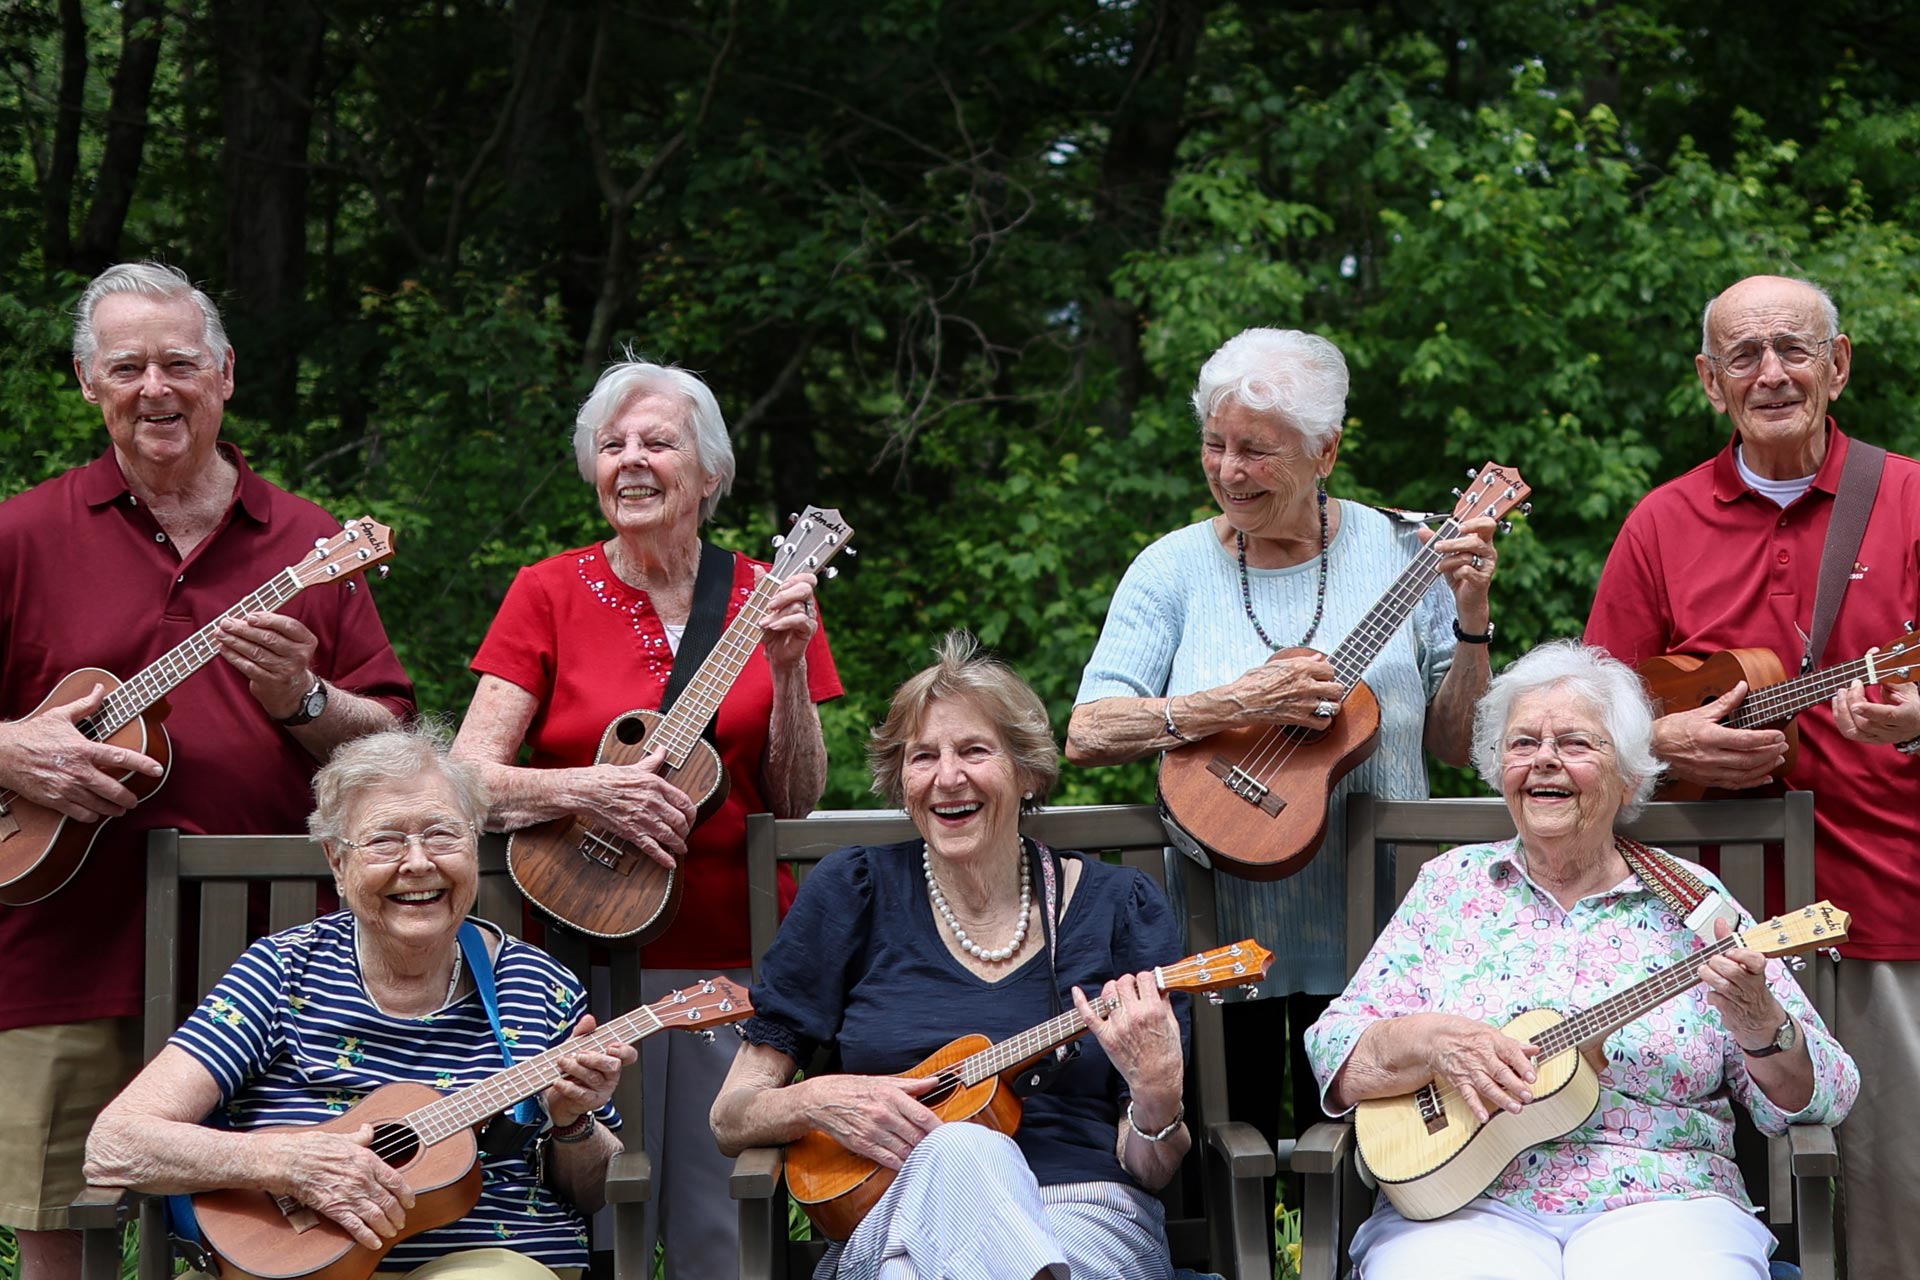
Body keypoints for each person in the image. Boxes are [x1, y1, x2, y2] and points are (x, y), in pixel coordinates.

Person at [0, 261, 413, 1280]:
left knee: (284, 1236)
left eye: (179, 362)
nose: (156, 387)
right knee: (68, 1236)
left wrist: (307, 699)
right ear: (88, 382)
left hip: (278, 958)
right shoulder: (21, 534)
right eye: (127, 365)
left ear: (224, 375)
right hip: (63, 946)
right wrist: (11, 747)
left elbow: (393, 744)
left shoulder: (310, 539)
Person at [1065, 327, 1498, 1165]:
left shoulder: (1409, 551)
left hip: (1385, 930)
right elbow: (1087, 729)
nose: (1229, 470)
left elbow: (1459, 744)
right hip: (1219, 923)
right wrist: (1235, 700)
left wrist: (1472, 620)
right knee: (1235, 1161)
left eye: (1257, 451)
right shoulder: (1171, 569)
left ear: (1325, 451)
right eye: (1215, 445)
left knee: (1385, 1161)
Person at [450, 357, 840, 1278]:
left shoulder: (767, 594)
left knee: (720, 1219)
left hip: (733, 951)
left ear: (709, 475)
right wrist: (588, 789)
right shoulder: (545, 591)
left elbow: (797, 796)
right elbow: (466, 778)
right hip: (575, 951)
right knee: (585, 1206)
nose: (631, 461)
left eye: (657, 443)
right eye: (611, 444)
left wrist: (787, 670)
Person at [1306, 641, 1858, 1278]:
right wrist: (1431, 1042)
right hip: (1466, 1203)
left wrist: (1765, 1028)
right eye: (1523, 744)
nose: (1544, 761)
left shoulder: (1697, 907)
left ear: (1627, 777)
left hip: (1665, 1198)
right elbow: (1335, 1050)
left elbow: (1829, 1096)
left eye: (1575, 744)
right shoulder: (1450, 887)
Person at [1584, 274, 1920, 1278]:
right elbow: (1585, 716)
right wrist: (1665, 742)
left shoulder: (1909, 500)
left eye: (1793, 347)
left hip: (1882, 911)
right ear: (1709, 379)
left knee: (1890, 1207)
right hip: (1688, 928)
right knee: (1691, 1212)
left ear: (1839, 363)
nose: (1771, 371)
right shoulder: (1659, 523)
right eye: (1744, 354)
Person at [711, 633, 1190, 1280]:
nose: (947, 778)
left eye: (974, 751)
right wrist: (820, 1101)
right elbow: (732, 1113)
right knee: (961, 1149)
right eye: (923, 757)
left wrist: (1158, 1093)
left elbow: (1153, 1168)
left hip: (1084, 1219)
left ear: (1027, 773)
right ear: (902, 781)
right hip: (894, 1216)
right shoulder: (854, 893)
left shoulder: (1117, 909)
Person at [83, 727, 633, 1280]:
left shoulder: (536, 984)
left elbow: (594, 1192)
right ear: (337, 863)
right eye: (385, 841)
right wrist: (289, 1165)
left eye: (443, 835)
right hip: (286, 1266)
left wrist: (571, 1123)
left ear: (473, 846)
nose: (418, 864)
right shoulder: (282, 971)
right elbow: (116, 1141)